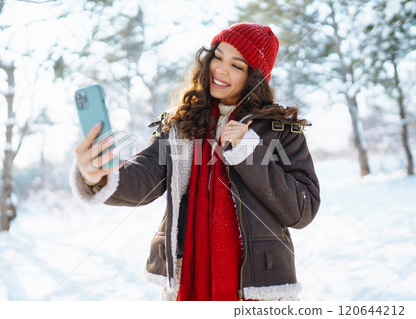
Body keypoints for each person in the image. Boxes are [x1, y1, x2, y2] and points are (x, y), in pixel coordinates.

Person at [70, 22, 320, 301]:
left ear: (255, 77)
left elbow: (302, 209)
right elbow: (146, 174)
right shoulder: (180, 125)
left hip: (255, 289)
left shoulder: (280, 130)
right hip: (191, 280)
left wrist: (250, 152)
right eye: (218, 56)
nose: (221, 70)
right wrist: (99, 175)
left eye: (237, 66)